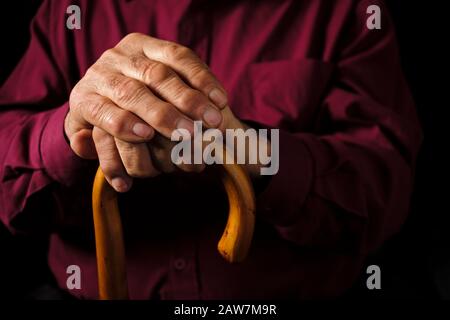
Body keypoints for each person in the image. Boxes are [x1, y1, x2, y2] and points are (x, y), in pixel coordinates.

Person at [0, 0, 422, 299]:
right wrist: (71, 132)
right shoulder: (69, 10)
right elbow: (7, 190)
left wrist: (253, 150)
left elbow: (387, 189)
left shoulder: (347, 10)